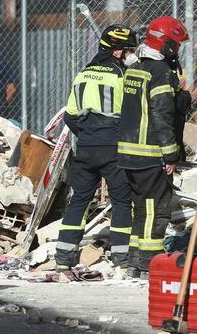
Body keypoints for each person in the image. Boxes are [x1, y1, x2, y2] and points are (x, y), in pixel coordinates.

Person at [55, 25, 139, 274]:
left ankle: (63, 258)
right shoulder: (121, 76)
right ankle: (122, 259)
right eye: (128, 50)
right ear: (116, 51)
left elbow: (70, 115)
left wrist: (88, 134)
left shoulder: (82, 74)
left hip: (86, 147)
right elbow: (132, 116)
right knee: (122, 201)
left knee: (79, 200)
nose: (131, 55)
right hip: (113, 147)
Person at [117, 16, 191, 279]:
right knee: (156, 211)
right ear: (166, 44)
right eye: (177, 45)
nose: (178, 50)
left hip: (129, 153)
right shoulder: (160, 72)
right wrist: (170, 154)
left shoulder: (135, 68)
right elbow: (162, 115)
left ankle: (134, 263)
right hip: (150, 153)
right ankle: (149, 264)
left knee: (141, 210)